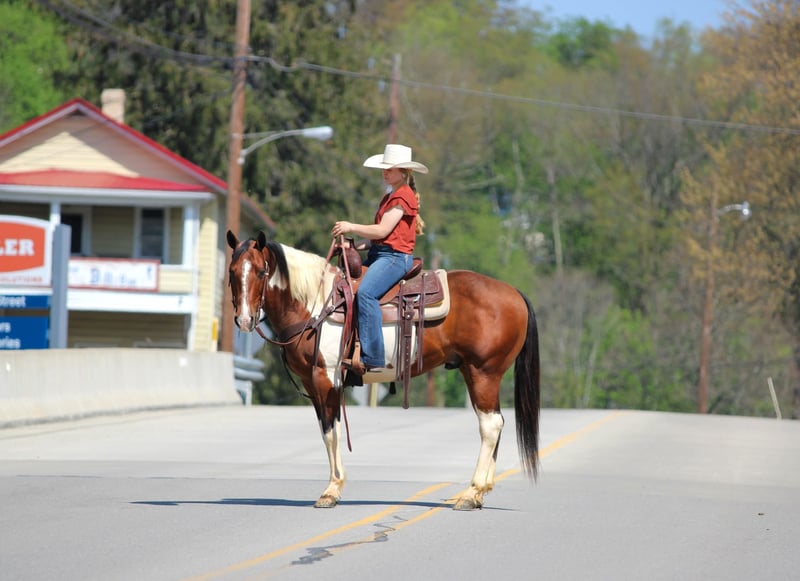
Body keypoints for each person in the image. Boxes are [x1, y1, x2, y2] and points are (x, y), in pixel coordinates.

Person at [332, 144, 428, 374]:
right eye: (384, 168)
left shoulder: (403, 196)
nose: (385, 172)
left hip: (395, 258)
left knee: (366, 293)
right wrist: (353, 246)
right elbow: (379, 238)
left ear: (403, 172)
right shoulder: (390, 196)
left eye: (390, 169)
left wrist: (350, 226)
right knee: (346, 287)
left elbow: (382, 231)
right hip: (381, 254)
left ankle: (373, 356)